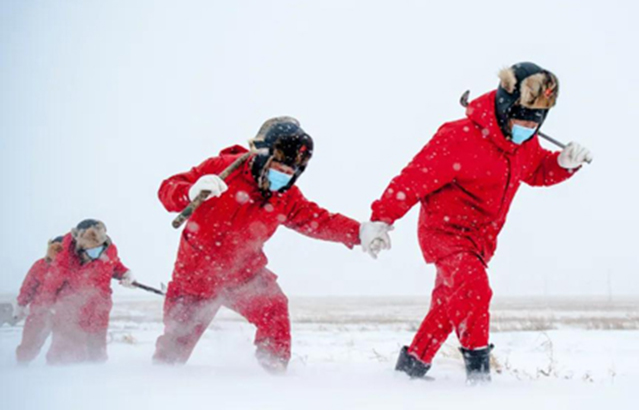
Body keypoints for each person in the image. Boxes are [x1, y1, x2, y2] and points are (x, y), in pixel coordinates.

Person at [364, 62, 592, 382]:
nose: (527, 128)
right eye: (521, 119)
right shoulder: (457, 137)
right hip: (444, 232)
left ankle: (410, 368)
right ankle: (479, 378)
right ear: (504, 107)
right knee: (473, 290)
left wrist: (563, 164)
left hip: (482, 240)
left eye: (534, 122)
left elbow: (538, 171)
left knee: (448, 304)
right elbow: (412, 180)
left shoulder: (524, 145)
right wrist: (381, 219)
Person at [153, 117, 389, 372]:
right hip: (195, 277)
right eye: (279, 167)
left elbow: (319, 220)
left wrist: (358, 232)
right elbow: (167, 190)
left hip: (244, 275)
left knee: (274, 309)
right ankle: (159, 381)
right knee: (172, 353)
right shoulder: (220, 169)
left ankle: (272, 375)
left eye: (290, 172)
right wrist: (189, 192)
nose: (283, 176)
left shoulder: (285, 197)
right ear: (262, 156)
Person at [39, 219, 135, 364]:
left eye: (99, 248)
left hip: (99, 306)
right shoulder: (65, 257)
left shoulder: (109, 249)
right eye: (90, 250)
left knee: (97, 347)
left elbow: (114, 264)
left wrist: (125, 274)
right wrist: (45, 307)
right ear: (80, 246)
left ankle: (96, 371)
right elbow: (51, 285)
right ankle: (59, 371)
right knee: (67, 350)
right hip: (70, 308)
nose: (96, 253)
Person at [14, 236, 64, 363]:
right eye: (54, 249)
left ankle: (57, 369)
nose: (57, 253)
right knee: (30, 343)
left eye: (61, 250)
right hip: (40, 311)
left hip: (64, 313)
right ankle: (21, 365)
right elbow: (28, 286)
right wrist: (21, 304)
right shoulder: (40, 265)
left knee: (62, 347)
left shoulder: (71, 268)